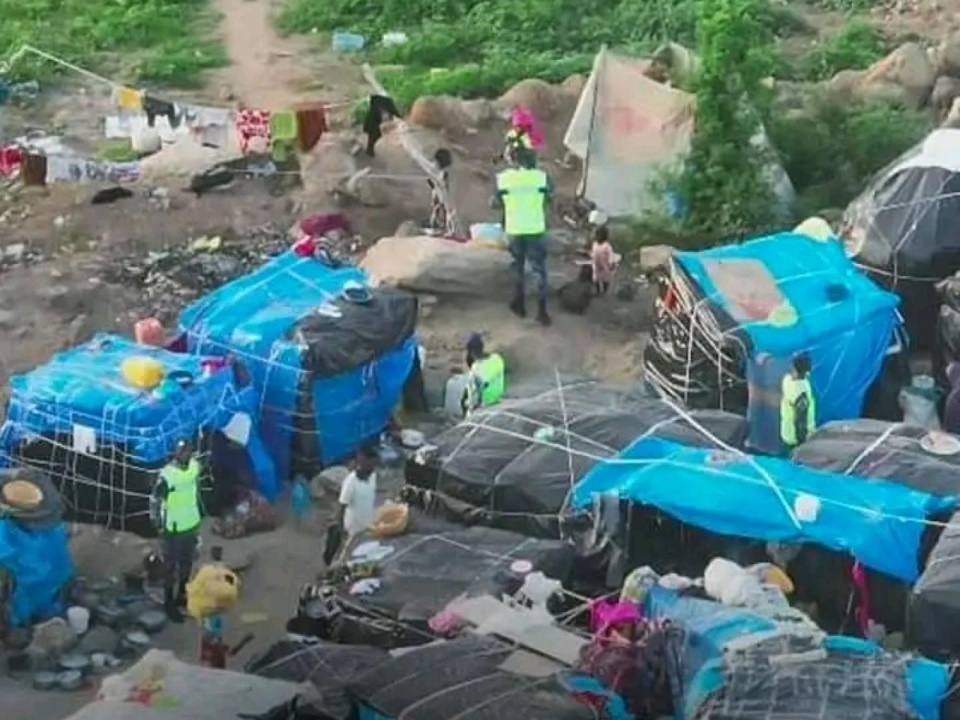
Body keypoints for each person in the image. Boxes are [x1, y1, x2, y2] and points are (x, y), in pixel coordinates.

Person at [496, 145, 552, 325]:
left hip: (514, 228)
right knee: (539, 270)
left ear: (514, 160)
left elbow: (497, 202)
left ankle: (519, 304)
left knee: (517, 267)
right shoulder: (542, 177)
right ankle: (542, 311)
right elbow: (549, 199)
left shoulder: (504, 178)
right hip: (535, 227)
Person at [152, 439, 204, 622]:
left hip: (190, 523)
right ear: (175, 453)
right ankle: (169, 603)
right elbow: (156, 501)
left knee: (186, 564)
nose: (185, 454)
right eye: (181, 451)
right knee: (170, 567)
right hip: (173, 529)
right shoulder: (167, 475)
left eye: (188, 450)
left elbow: (197, 491)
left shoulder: (195, 467)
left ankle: (182, 594)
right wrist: (159, 526)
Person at [334, 447, 379, 564]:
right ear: (361, 463)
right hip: (352, 530)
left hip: (367, 526)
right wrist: (340, 529)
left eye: (374, 465)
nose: (372, 468)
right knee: (347, 559)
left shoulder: (373, 476)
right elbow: (342, 506)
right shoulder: (351, 482)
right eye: (370, 465)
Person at [462, 333, 506, 415]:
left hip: (484, 409)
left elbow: (472, 401)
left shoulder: (476, 370)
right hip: (499, 402)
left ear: (470, 351)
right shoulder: (497, 359)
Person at [780, 352, 816, 450]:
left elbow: (800, 421)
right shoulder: (802, 389)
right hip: (796, 437)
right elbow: (801, 420)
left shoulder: (787, 381)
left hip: (790, 436)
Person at [591, 225, 616, 296]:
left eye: (597, 235)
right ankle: (598, 291)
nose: (596, 237)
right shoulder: (594, 244)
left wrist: (611, 263)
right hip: (596, 266)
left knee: (605, 279)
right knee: (596, 279)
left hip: (605, 267)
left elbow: (611, 255)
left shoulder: (607, 246)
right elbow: (594, 252)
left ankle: (604, 291)